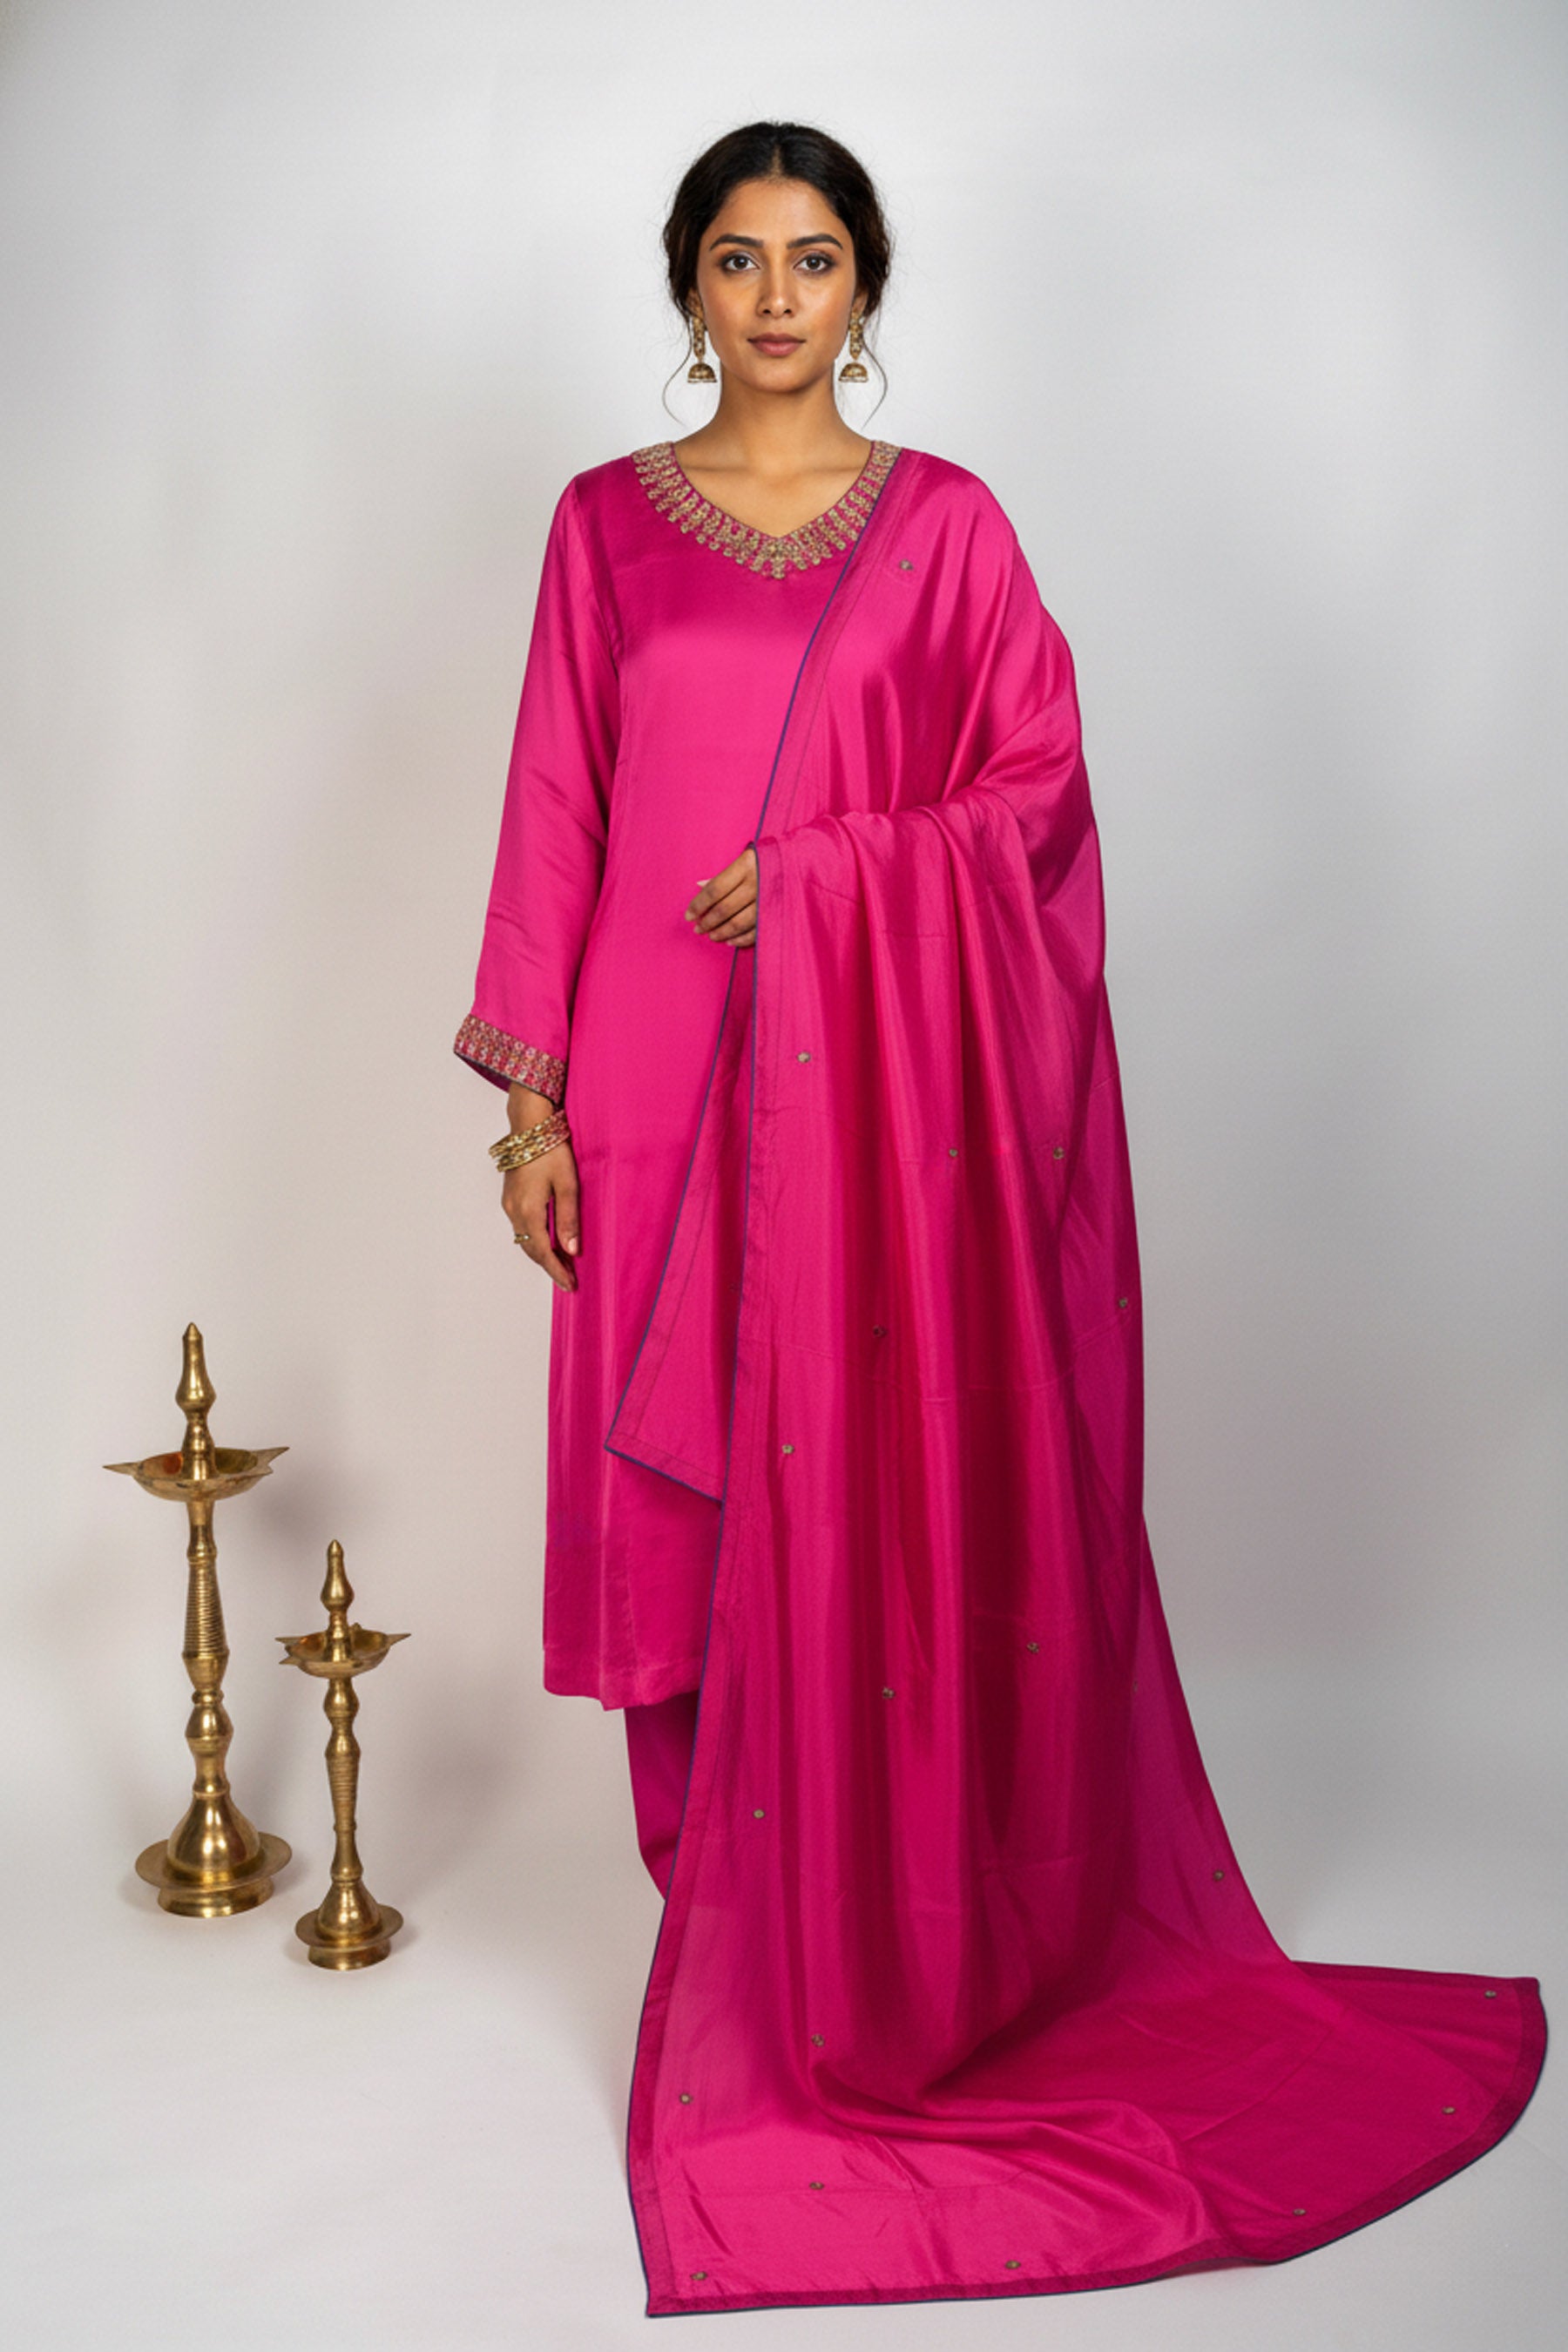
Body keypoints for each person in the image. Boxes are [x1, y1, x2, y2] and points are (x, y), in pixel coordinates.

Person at [456, 119, 1543, 2322]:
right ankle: (731, 1913)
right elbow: (557, 806)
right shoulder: (600, 528)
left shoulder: (948, 532)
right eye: (740, 258)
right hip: (657, 1084)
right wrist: (536, 1110)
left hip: (868, 1116)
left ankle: (875, 1951)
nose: (778, 297)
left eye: (817, 258)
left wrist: (834, 883)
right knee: (684, 1513)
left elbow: (1034, 797)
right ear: (687, 284)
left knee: (857, 1494)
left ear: (868, 285)